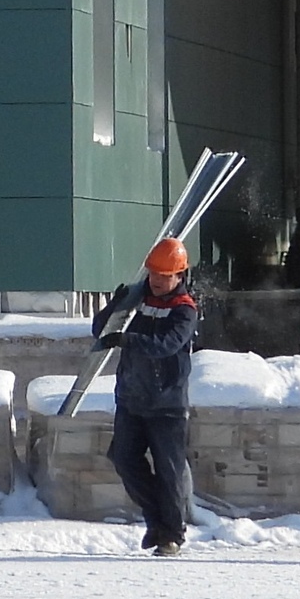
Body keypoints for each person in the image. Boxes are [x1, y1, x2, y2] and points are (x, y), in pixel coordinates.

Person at [95, 236, 199, 558]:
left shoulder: (184, 311)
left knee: (170, 473)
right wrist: (116, 305)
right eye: (153, 273)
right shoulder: (140, 299)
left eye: (164, 275)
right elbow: (100, 329)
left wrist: (129, 340)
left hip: (166, 405)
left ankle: (172, 534)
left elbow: (165, 345)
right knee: (124, 459)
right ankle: (156, 522)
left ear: (179, 276)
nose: (156, 280)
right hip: (131, 398)